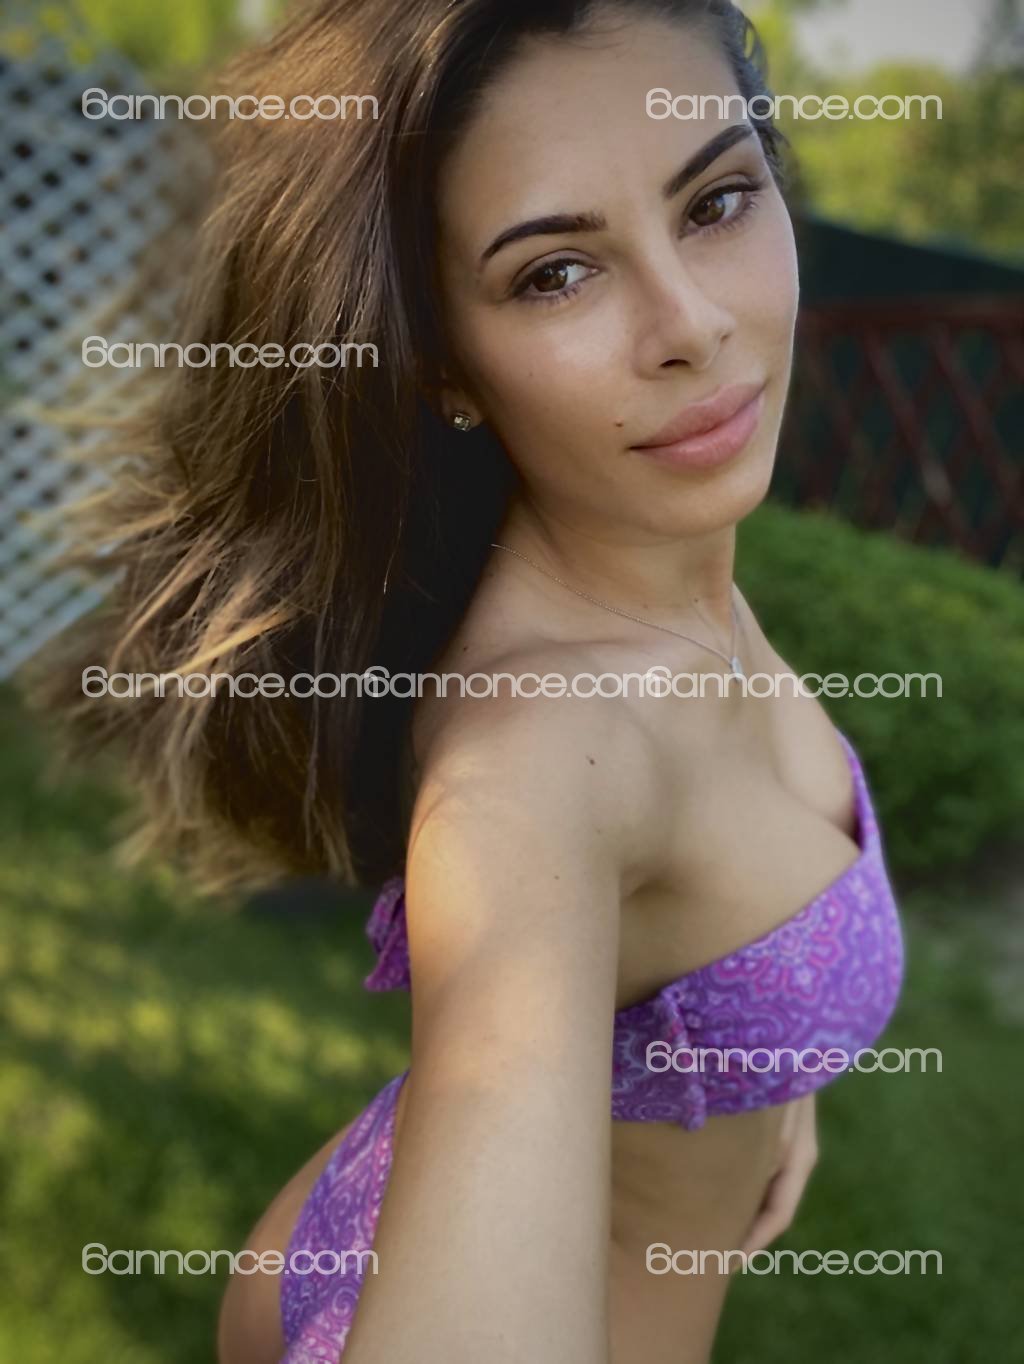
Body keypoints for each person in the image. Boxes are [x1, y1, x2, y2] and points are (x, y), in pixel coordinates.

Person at [33, 2, 904, 1361]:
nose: (689, 325)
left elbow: (710, 912)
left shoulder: (663, 565)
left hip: (353, 1208)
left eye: (718, 201)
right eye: (556, 274)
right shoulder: (542, 757)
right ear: (447, 364)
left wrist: (769, 1073)